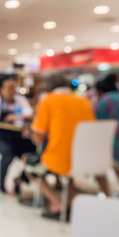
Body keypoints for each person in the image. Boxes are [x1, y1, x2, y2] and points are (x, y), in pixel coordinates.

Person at [25, 74, 95, 220]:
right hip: (84, 159)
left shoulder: (48, 101)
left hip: (60, 160)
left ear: (48, 88)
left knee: (29, 165)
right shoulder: (84, 101)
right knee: (67, 172)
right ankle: (71, 201)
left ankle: (56, 203)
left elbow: (38, 137)